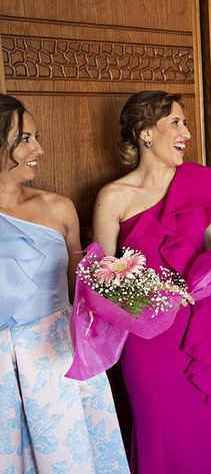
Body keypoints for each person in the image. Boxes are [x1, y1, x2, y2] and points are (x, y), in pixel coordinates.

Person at [93, 91, 211, 473]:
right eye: (176, 122)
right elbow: (100, 283)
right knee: (159, 431)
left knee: (207, 426)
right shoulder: (113, 197)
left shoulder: (200, 184)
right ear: (144, 133)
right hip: (147, 338)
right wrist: (150, 296)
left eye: (185, 123)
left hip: (200, 327)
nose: (186, 132)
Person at [0, 94, 129, 472]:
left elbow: (85, 285)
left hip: (56, 353)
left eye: (36, 136)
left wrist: (130, 295)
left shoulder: (58, 207)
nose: (38, 148)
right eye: (24, 139)